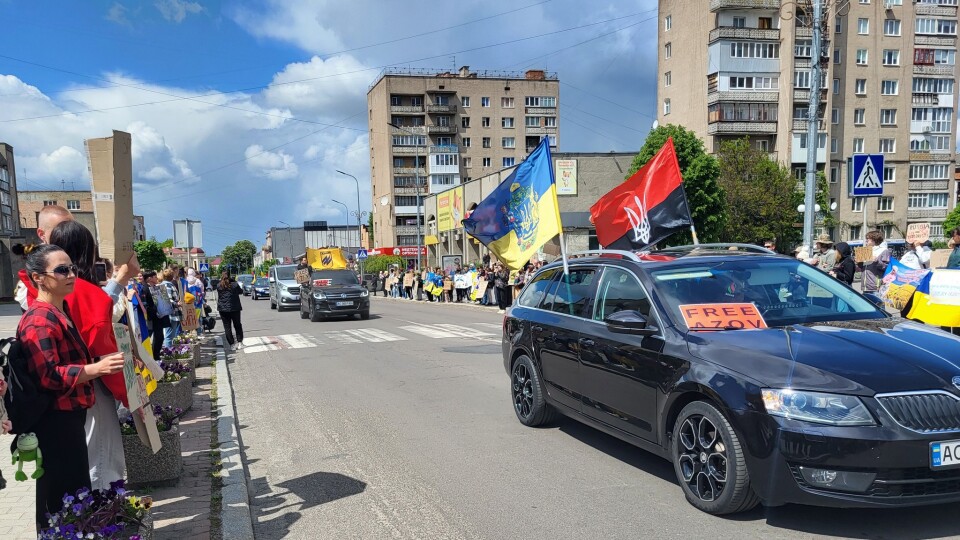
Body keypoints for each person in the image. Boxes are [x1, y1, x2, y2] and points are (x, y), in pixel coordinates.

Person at [16, 244, 126, 531]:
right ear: (39, 277)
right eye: (62, 270)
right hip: (56, 420)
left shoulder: (58, 311)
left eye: (72, 268)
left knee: (73, 492)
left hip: (70, 416)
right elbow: (49, 376)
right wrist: (96, 369)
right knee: (61, 496)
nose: (71, 275)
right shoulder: (40, 319)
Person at [47, 220, 128, 491]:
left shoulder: (43, 291)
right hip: (88, 383)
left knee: (84, 453)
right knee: (101, 455)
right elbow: (101, 343)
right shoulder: (84, 292)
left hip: (60, 389)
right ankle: (101, 519)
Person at [217, 271, 244, 351]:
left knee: (227, 327)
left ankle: (232, 344)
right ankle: (239, 342)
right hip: (234, 308)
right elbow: (241, 291)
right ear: (230, 276)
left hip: (223, 309)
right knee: (237, 325)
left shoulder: (219, 285)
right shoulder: (234, 285)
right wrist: (233, 281)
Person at [159, 267, 183, 346]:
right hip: (171, 313)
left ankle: (169, 352)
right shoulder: (167, 285)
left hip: (167, 313)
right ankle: (168, 354)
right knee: (169, 336)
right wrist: (177, 303)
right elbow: (168, 300)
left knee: (169, 335)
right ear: (171, 276)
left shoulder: (162, 284)